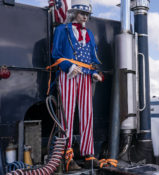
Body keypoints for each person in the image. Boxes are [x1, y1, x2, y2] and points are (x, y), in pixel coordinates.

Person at [51, 0, 103, 171]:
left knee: (87, 113)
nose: (85, 17)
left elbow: (93, 55)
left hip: (86, 76)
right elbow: (56, 53)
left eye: (87, 14)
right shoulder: (62, 30)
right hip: (69, 74)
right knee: (67, 114)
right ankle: (67, 156)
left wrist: (95, 71)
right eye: (82, 14)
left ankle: (89, 154)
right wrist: (68, 66)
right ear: (73, 13)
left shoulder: (89, 33)